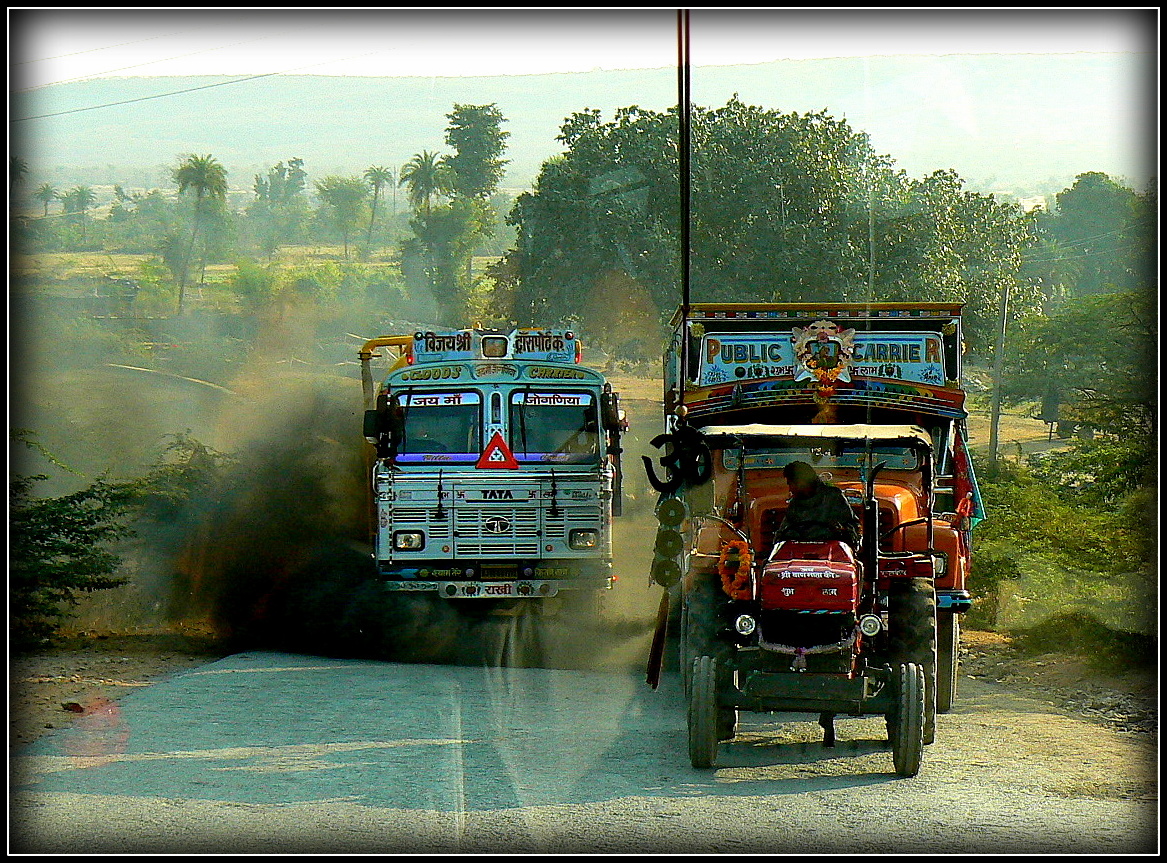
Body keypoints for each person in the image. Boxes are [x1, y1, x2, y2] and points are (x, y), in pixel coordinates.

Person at [774, 460, 861, 548]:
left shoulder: (833, 498)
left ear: (803, 481)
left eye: (791, 484)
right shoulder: (795, 505)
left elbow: (853, 530)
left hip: (832, 553)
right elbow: (782, 535)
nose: (790, 489)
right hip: (800, 555)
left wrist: (842, 532)